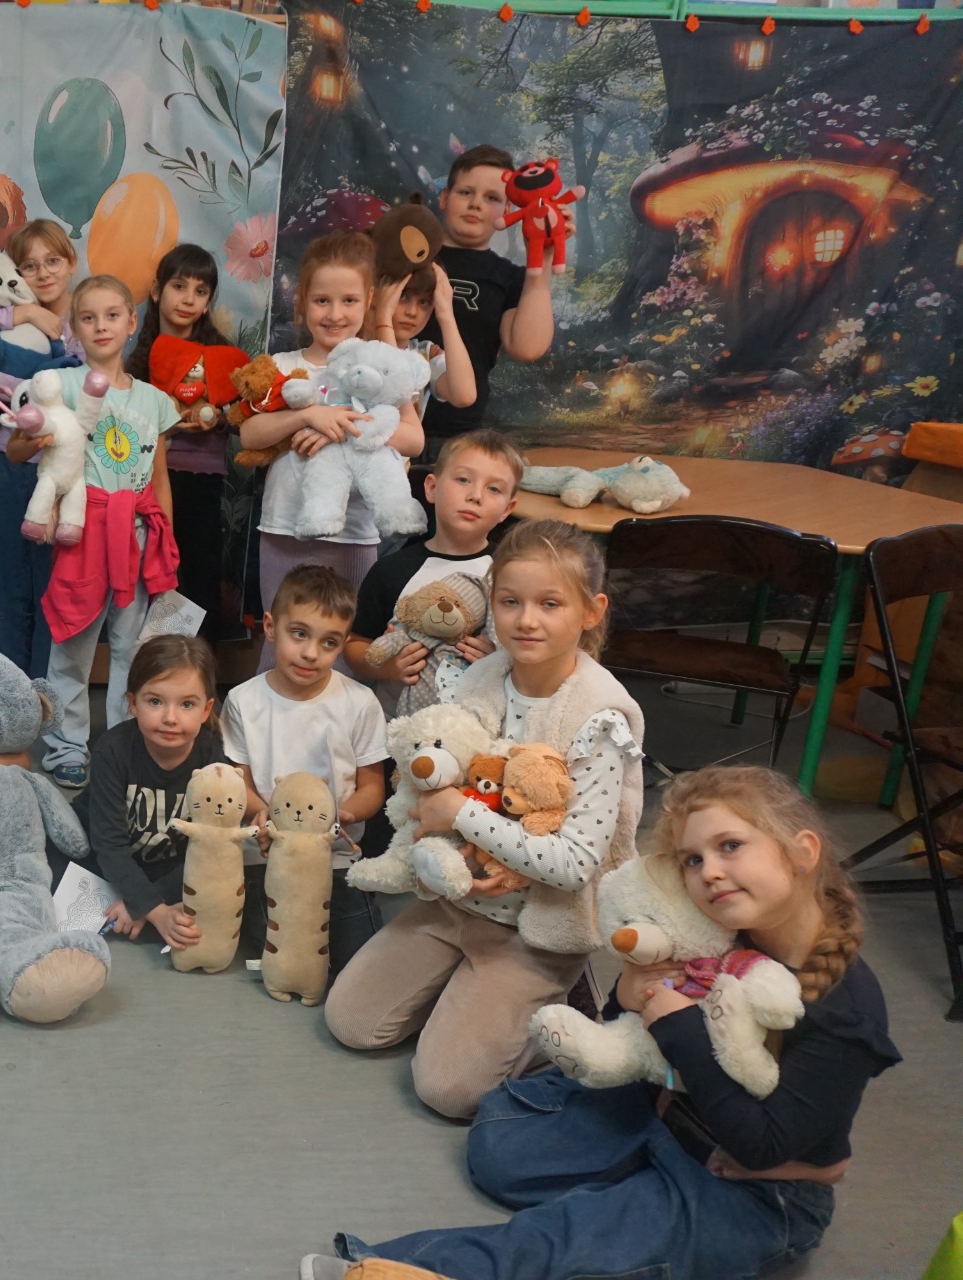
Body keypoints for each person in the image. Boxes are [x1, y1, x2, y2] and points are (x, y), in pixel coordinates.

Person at [305, 766, 900, 1280]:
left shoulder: (845, 1007)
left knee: (565, 1241)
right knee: (501, 1149)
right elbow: (629, 1034)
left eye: (731, 846)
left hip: (750, 1183)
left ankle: (387, 1269)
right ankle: (630, 1194)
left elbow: (759, 1146)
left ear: (802, 852)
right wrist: (629, 996)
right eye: (693, 860)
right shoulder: (724, 934)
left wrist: (677, 1026)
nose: (710, 872)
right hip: (663, 1113)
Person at [324, 520, 646, 1121]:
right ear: (491, 603)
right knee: (352, 1022)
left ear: (591, 612)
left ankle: (559, 1000)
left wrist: (460, 814)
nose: (527, 620)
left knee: (448, 1090)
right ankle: (467, 1000)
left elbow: (577, 863)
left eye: (550, 604)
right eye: (510, 602)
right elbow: (445, 766)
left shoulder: (600, 719)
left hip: (534, 926)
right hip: (456, 901)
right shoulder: (482, 675)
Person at [7, 274, 180, 788]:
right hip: (82, 534)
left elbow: (160, 477)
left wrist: (166, 542)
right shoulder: (58, 385)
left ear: (131, 322)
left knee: (133, 648)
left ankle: (127, 744)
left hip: (138, 537)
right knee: (72, 644)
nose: (101, 326)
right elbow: (15, 449)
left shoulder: (154, 401)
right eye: (88, 317)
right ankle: (66, 747)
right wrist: (32, 440)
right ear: (73, 329)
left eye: (112, 315)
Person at [242, 232, 425, 636]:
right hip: (284, 527)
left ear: (369, 299)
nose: (335, 314)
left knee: (344, 643)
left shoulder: (381, 366)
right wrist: (309, 416)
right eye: (322, 300)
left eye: (349, 301)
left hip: (354, 534)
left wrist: (340, 426)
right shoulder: (282, 365)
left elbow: (414, 439)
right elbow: (250, 434)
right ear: (302, 300)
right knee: (283, 638)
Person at [220, 564, 386, 968]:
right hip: (265, 855)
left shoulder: (360, 702)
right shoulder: (243, 701)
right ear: (270, 626)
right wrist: (263, 816)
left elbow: (372, 788)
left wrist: (342, 816)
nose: (311, 653)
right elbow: (239, 781)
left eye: (329, 642)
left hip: (335, 856)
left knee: (357, 961)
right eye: (299, 634)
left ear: (343, 644)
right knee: (281, 954)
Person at [0, 218, 80, 678]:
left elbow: (66, 390)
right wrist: (24, 314)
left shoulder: (87, 319)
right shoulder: (11, 309)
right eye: (29, 266)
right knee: (5, 577)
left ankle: (48, 688)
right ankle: (4, 686)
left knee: (53, 581)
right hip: (9, 462)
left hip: (62, 467)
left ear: (71, 262)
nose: (43, 273)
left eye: (53, 261)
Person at [56, 635, 230, 949]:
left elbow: (208, 847)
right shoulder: (113, 750)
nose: (170, 718)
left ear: (206, 710)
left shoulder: (211, 757)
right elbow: (109, 845)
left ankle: (135, 900)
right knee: (45, 865)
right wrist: (155, 910)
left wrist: (147, 903)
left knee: (225, 870)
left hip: (163, 862)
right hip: (101, 851)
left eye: (187, 704)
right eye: (155, 701)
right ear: (133, 703)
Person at [345, 430, 520, 713]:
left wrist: (502, 660)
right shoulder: (392, 569)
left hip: (475, 727)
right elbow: (355, 645)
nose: (475, 496)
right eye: (463, 480)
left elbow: (529, 645)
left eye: (494, 489)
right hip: (392, 724)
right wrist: (386, 667)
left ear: (506, 510)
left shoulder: (511, 572)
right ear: (431, 488)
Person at [126, 243, 238, 639]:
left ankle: (198, 665)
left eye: (200, 291)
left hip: (201, 482)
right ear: (157, 291)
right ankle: (152, 664)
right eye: (179, 286)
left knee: (199, 579)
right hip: (146, 486)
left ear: (208, 302)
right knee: (151, 581)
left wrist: (219, 416)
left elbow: (246, 415)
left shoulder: (222, 356)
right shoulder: (136, 362)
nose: (188, 299)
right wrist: (167, 427)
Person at [420, 145, 562, 455]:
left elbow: (527, 347)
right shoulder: (410, 257)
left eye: (492, 198)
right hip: (386, 425)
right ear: (444, 198)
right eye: (465, 192)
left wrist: (542, 261)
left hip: (457, 439)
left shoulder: (509, 277)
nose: (476, 204)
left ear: (507, 212)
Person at [369, 263, 477, 418]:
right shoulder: (351, 346)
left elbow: (464, 396)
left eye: (424, 302)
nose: (412, 312)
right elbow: (392, 383)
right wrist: (383, 314)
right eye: (402, 297)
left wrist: (446, 314)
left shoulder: (424, 355)